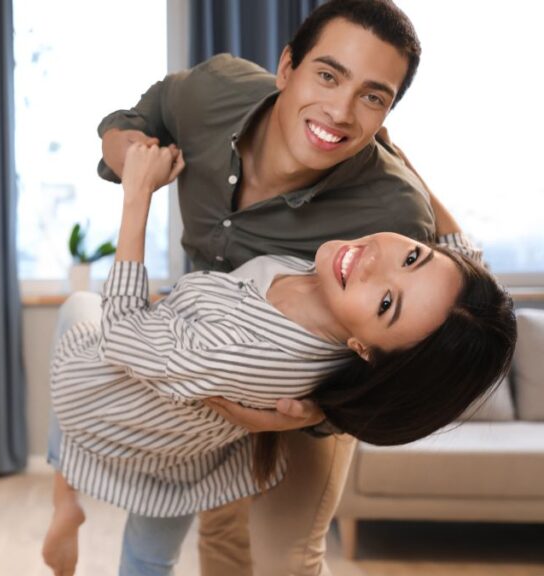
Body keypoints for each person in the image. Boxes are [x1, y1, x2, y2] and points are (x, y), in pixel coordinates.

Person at [41, 143, 515, 576]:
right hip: (178, 450)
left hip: (109, 406)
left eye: (387, 304)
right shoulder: (357, 300)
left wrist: (137, 195)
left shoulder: (259, 355)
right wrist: (401, 162)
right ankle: (68, 502)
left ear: (366, 350)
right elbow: (461, 273)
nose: (374, 262)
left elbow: (122, 336)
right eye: (412, 256)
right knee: (148, 554)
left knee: (77, 310)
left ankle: (64, 494)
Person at [96, 0, 444, 573]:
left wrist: (309, 413)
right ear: (287, 67)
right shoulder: (213, 91)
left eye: (373, 96)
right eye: (328, 75)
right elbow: (139, 116)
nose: (339, 111)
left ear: (388, 114)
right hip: (211, 356)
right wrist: (131, 157)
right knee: (223, 540)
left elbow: (395, 370)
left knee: (285, 556)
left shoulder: (396, 213)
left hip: (310, 396)